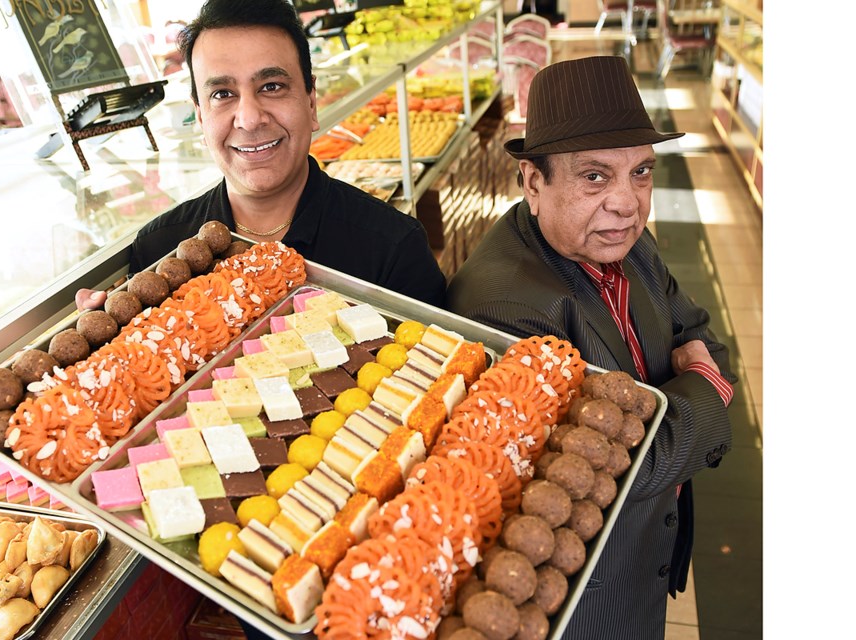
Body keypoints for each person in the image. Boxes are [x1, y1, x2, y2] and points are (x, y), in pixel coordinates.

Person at [445, 55, 736, 639]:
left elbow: (699, 330)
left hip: (645, 557)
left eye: (642, 173)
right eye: (596, 176)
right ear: (533, 182)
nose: (628, 203)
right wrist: (705, 386)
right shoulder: (504, 307)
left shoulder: (621, 240)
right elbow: (608, 469)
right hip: (589, 600)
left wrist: (693, 376)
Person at [78, 0, 445, 311]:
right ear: (201, 116)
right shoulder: (160, 250)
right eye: (222, 93)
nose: (250, 119)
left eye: (272, 86)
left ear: (311, 102)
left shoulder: (393, 250)